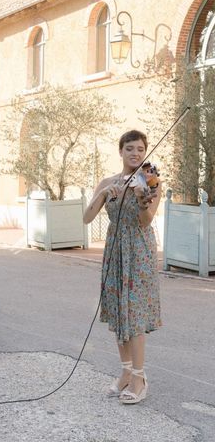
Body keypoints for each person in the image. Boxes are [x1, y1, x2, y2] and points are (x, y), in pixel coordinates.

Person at [83, 129, 162, 405]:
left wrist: (142, 198)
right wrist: (104, 193)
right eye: (130, 149)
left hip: (139, 252)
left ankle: (140, 378)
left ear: (145, 151)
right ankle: (126, 372)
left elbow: (146, 221)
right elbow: (87, 217)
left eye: (140, 149)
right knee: (118, 312)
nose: (136, 154)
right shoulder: (109, 182)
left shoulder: (150, 180)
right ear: (121, 152)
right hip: (114, 251)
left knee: (135, 313)